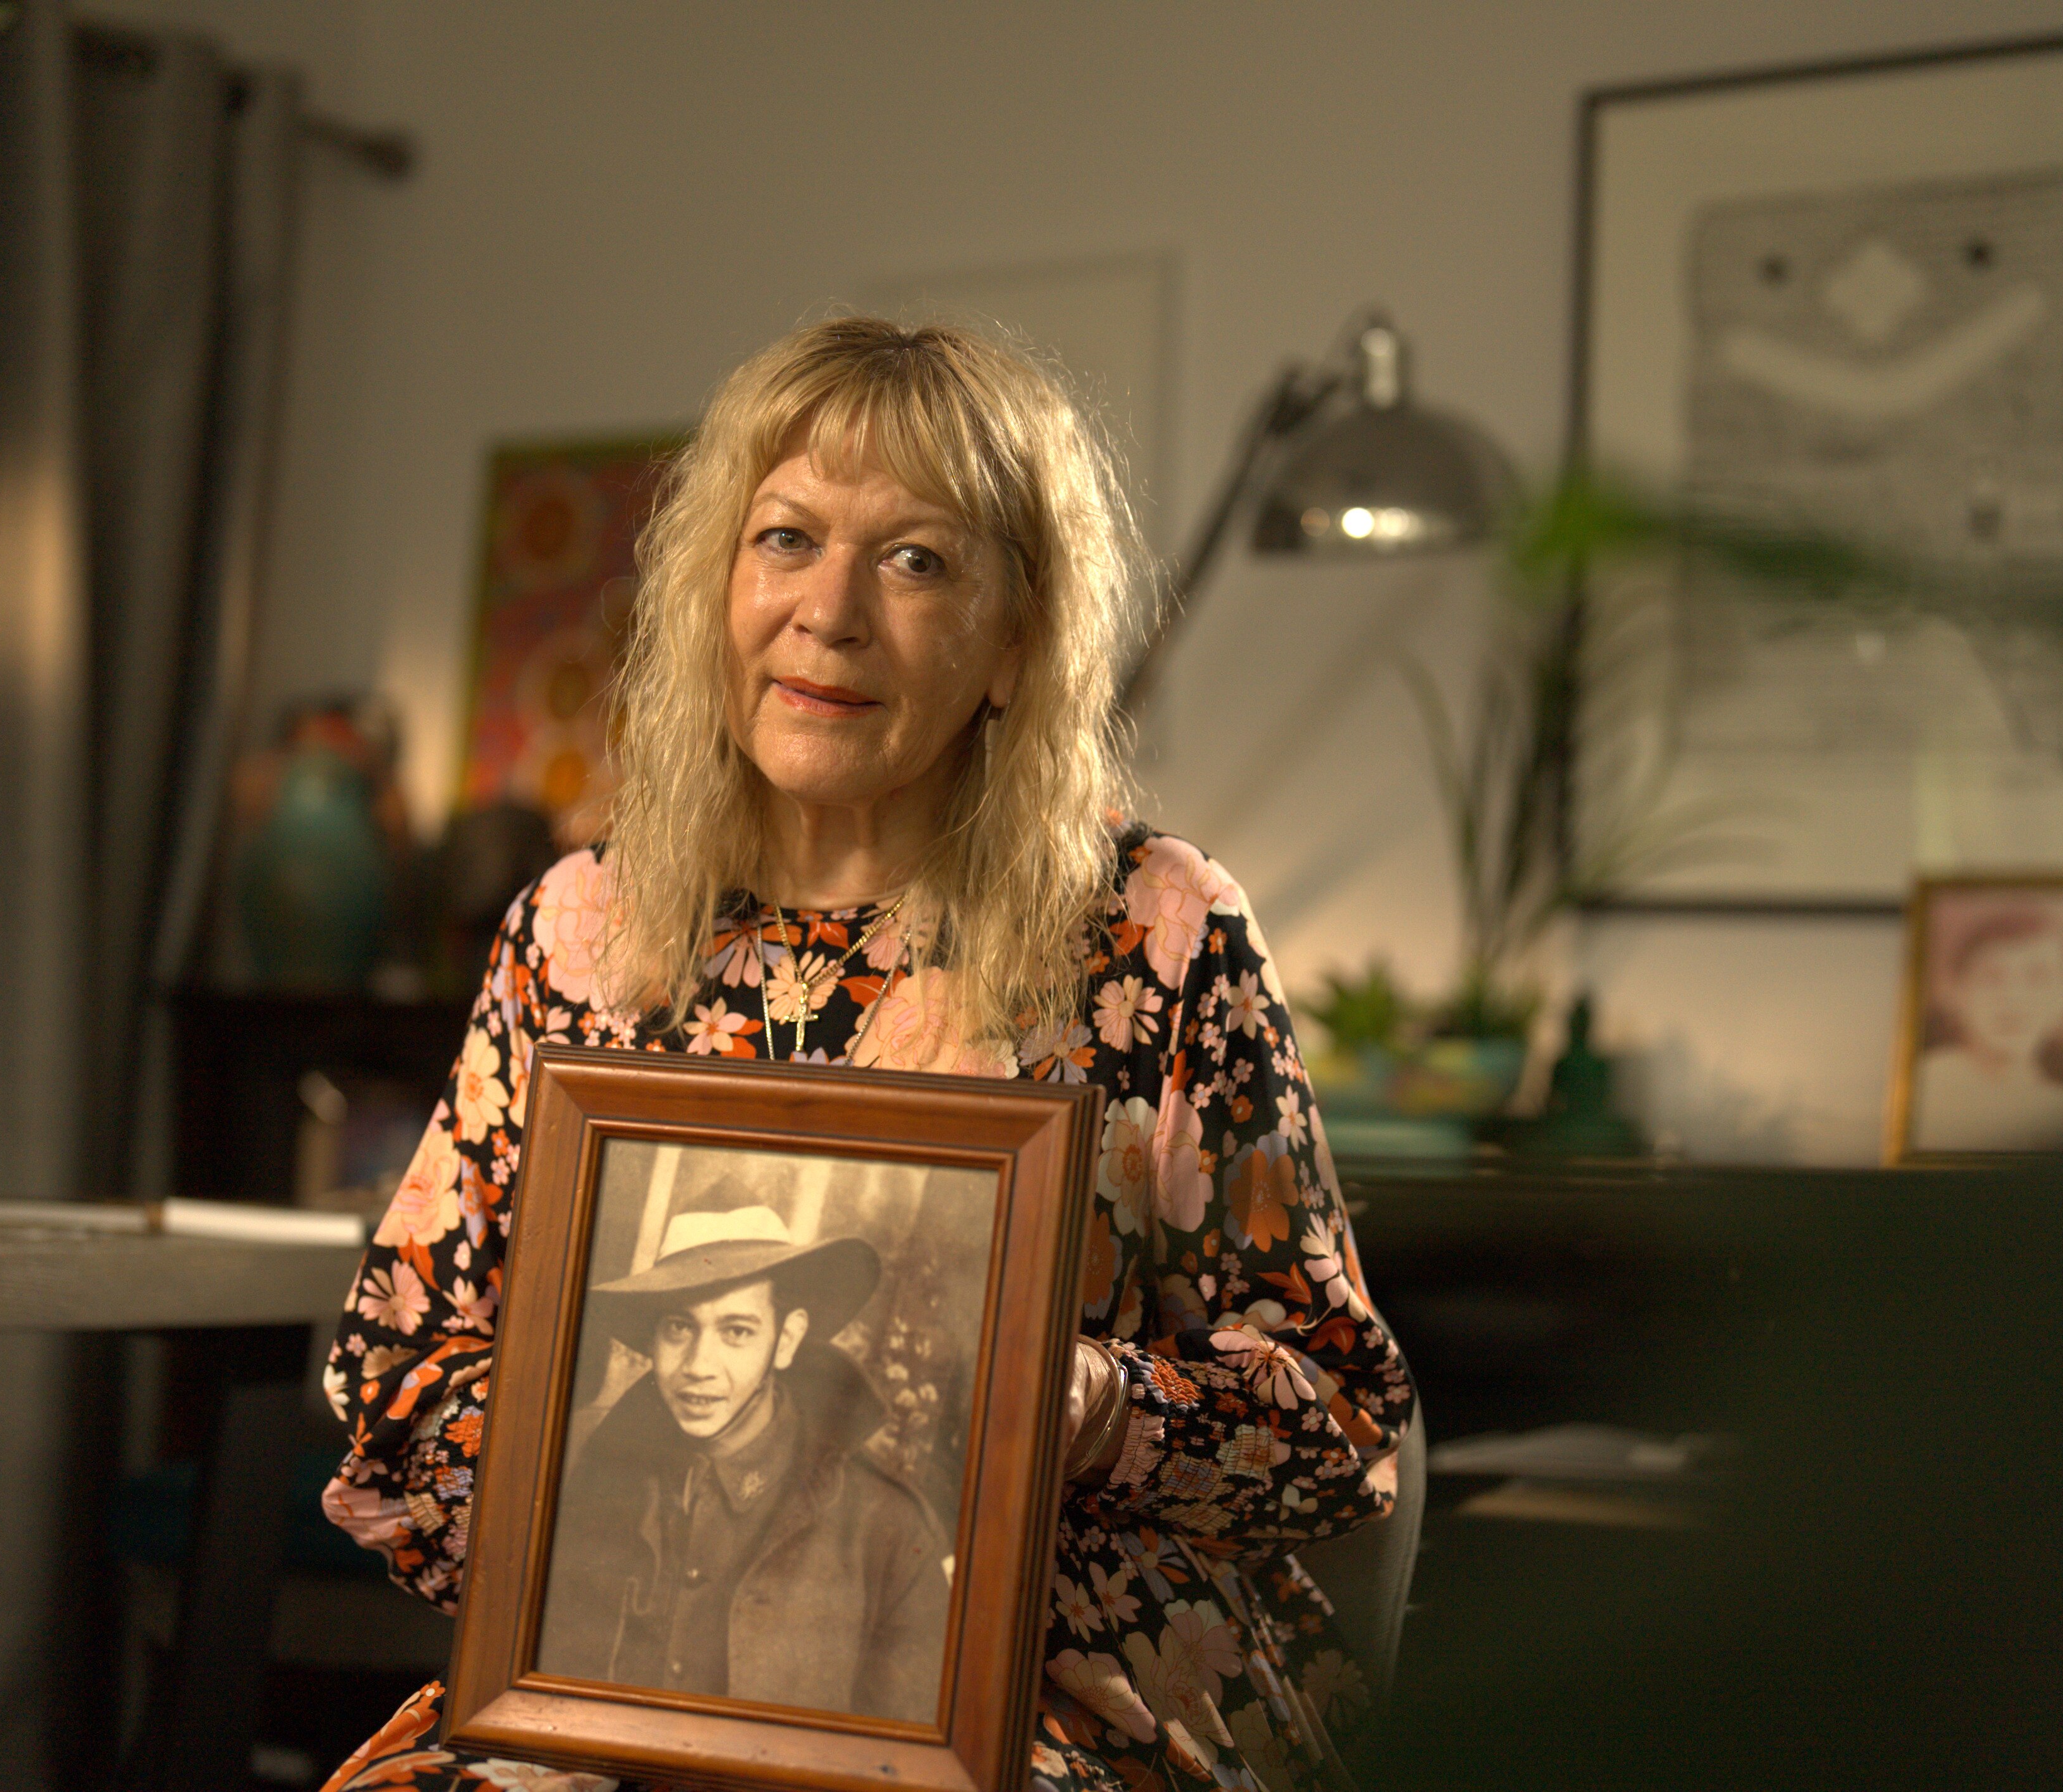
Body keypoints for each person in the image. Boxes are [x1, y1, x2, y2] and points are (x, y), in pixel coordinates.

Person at [317, 317, 1412, 1792]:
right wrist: (595, 1486)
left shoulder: (1159, 931)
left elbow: (1337, 1420)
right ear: (722, 585)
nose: (829, 612)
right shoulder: (579, 928)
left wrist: (1090, 1404)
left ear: (1016, 638)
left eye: (918, 560)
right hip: (623, 1670)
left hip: (1044, 1681)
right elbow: (396, 1376)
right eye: (787, 539)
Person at [539, 1205, 948, 1720]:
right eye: (678, 1328)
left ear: (788, 1339)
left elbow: (905, 1757)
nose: (698, 1367)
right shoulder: (585, 1474)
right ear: (652, 1338)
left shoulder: (887, 1528)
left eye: (736, 1331)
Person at [1914, 905, 2063, 1152]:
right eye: (1991, 978)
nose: (2013, 997)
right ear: (1956, 992)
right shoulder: (1928, 1083)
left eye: (2037, 977)